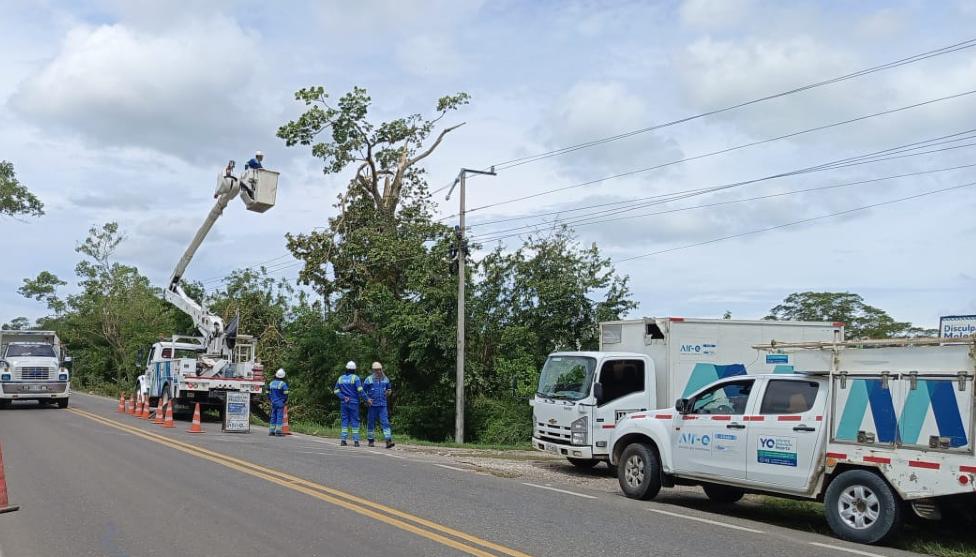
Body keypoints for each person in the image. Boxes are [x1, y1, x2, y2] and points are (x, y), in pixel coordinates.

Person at [363, 361, 395, 449]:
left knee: (385, 423)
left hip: (382, 405)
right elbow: (362, 392)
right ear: (373, 370)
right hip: (372, 406)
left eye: (380, 370)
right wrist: (367, 400)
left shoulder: (385, 379)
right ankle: (371, 441)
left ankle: (388, 440)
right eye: (377, 370)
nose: (379, 372)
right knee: (371, 423)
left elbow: (389, 389)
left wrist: (388, 392)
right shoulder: (368, 379)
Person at [333, 361, 364, 446]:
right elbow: (360, 390)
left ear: (346, 368)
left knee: (344, 420)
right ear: (354, 370)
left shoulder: (340, 378)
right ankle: (356, 441)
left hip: (344, 402)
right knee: (355, 421)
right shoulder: (355, 378)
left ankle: (343, 440)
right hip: (354, 402)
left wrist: (343, 397)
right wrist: (367, 399)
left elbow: (336, 390)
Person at [268, 368, 289, 436]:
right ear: (283, 376)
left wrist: (270, 399)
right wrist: (284, 400)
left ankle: (271, 431)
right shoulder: (283, 384)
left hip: (273, 402)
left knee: (273, 416)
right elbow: (286, 393)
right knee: (279, 416)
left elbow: (267, 392)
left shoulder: (271, 383)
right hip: (280, 402)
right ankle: (278, 431)